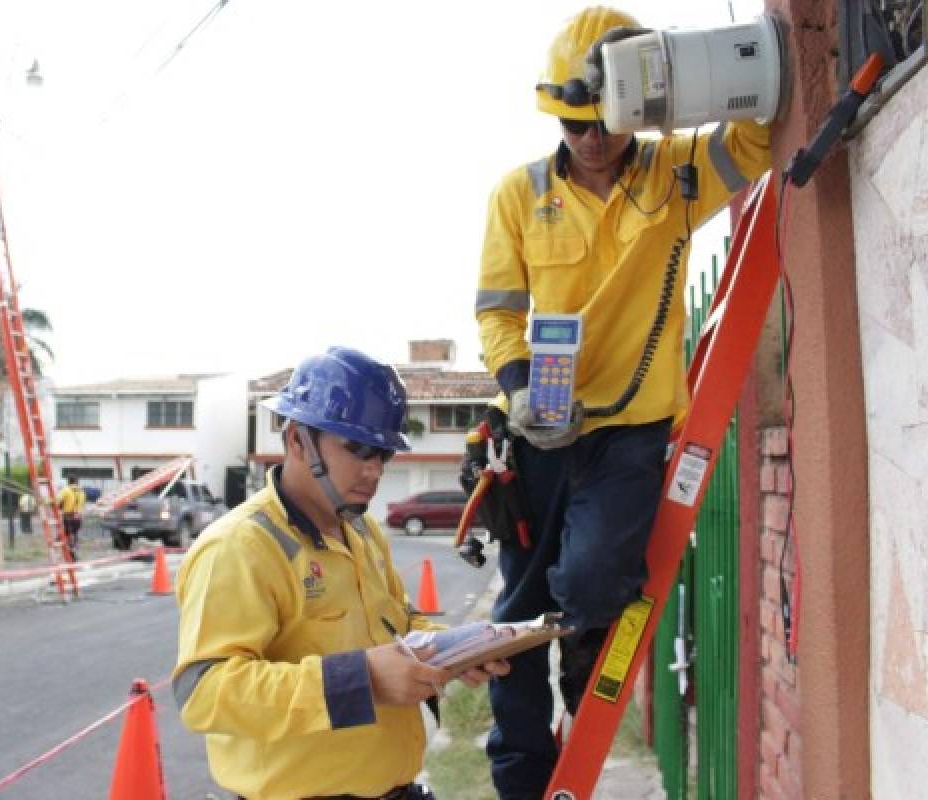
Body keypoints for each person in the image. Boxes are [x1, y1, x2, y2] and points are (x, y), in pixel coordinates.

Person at [474, 6, 772, 796]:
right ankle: (523, 778)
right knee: (519, 615)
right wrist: (515, 388)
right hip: (539, 433)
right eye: (573, 124)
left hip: (629, 436)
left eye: (603, 119)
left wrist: (679, 86)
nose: (589, 139)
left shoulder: (676, 172)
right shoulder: (519, 194)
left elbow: (761, 139)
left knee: (593, 580)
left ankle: (585, 719)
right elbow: (499, 313)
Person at [173, 347, 510, 800]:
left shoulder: (362, 530)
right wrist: (362, 679)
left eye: (382, 454)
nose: (373, 470)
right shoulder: (240, 547)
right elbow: (205, 694)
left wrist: (458, 648)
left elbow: (398, 625)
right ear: (297, 441)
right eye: (356, 449)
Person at [57, 476, 85, 559]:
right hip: (78, 517)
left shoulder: (65, 490)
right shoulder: (81, 491)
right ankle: (74, 551)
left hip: (68, 516)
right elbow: (82, 503)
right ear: (77, 482)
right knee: (74, 534)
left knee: (68, 535)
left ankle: (71, 555)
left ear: (68, 482)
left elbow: (58, 501)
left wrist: (60, 507)